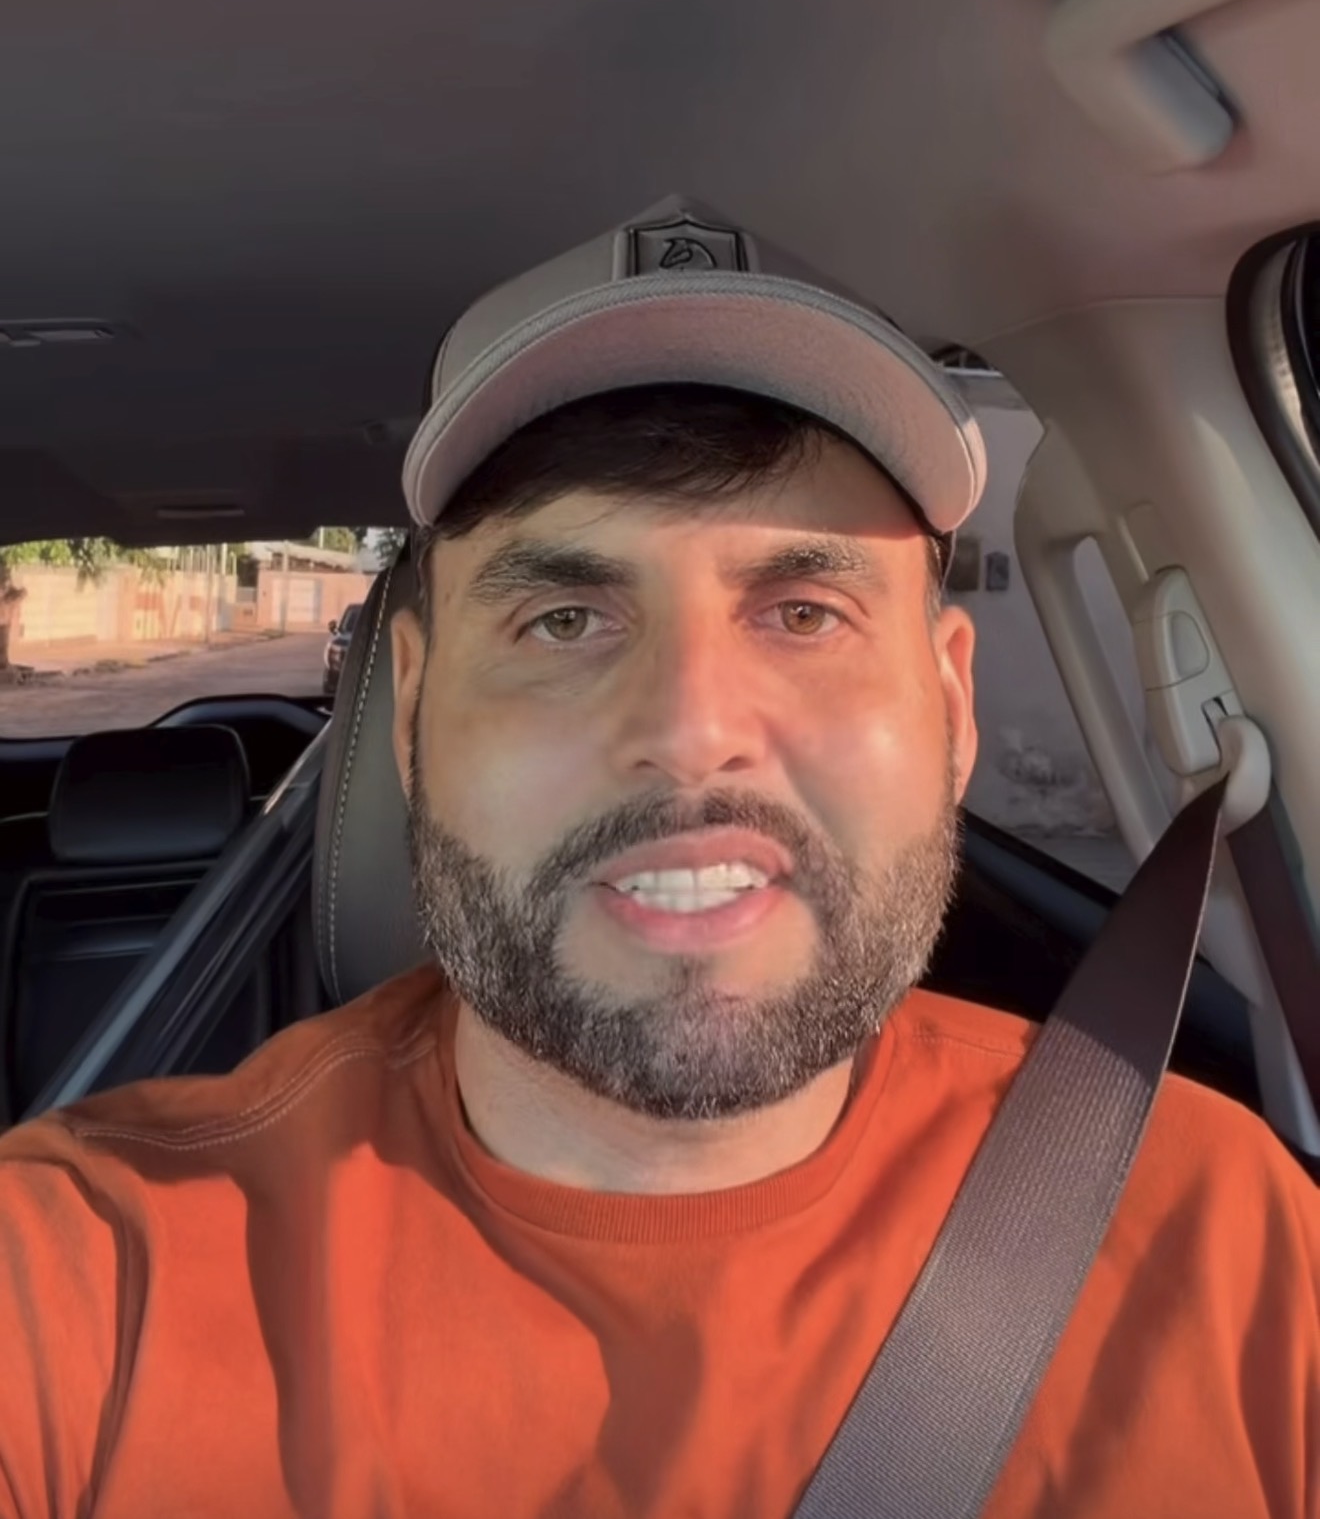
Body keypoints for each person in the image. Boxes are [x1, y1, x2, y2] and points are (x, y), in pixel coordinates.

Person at [0, 195, 1315, 1519]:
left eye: (804, 612)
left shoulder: (1218, 1230)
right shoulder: (87, 1274)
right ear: (410, 711)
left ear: (953, 704)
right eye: (566, 618)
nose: (690, 733)